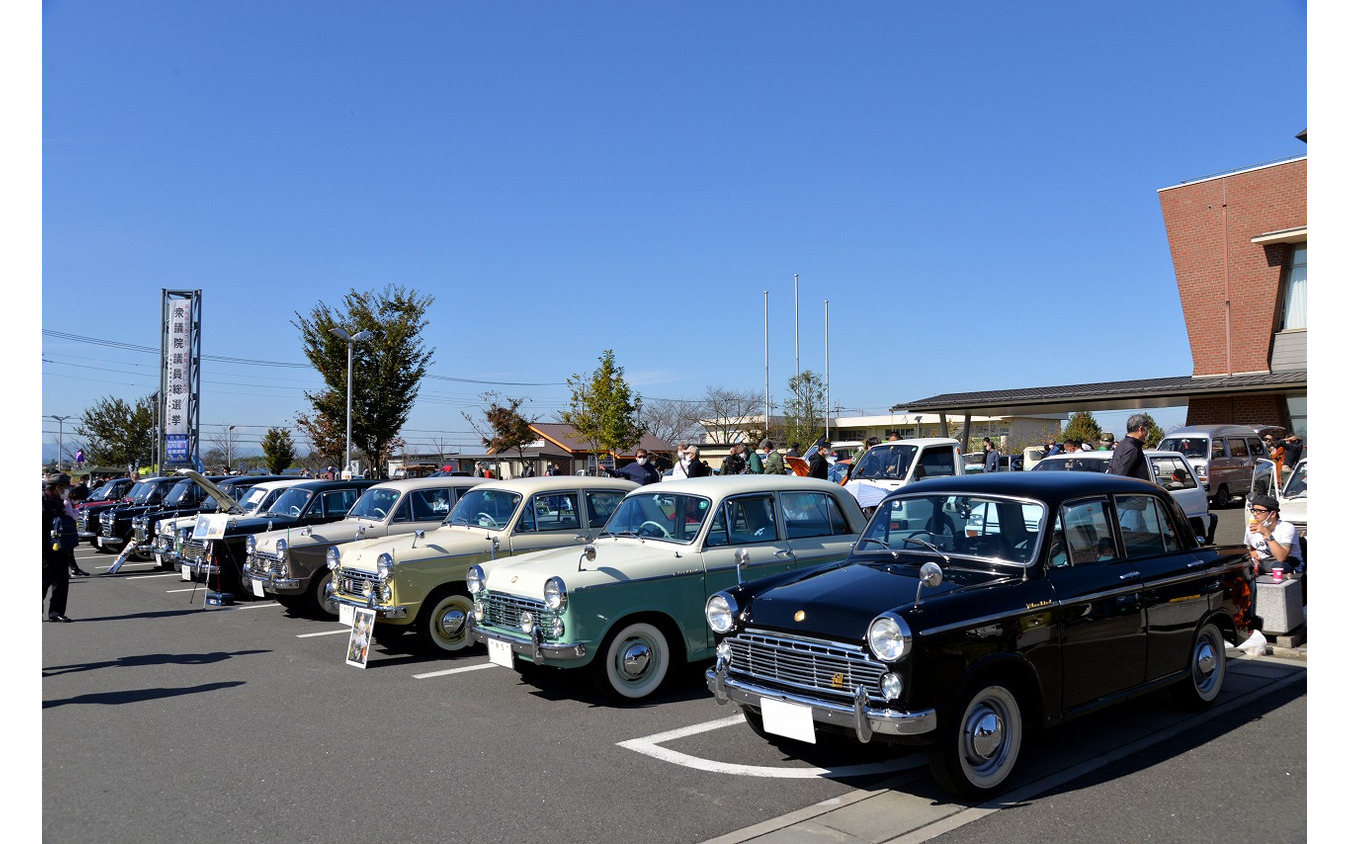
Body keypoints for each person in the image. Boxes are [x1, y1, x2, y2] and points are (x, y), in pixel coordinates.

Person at [1244, 494, 1304, 575]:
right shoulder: (1251, 528)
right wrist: (1255, 557)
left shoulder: (1287, 528)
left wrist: (1266, 533)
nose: (1255, 514)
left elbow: (1281, 558)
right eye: (1254, 510)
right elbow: (1252, 547)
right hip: (1263, 564)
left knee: (1278, 566)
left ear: (1272, 514)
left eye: (1259, 511)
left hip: (1287, 565)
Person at [43, 473, 74, 622]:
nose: (67, 491)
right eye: (65, 487)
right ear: (57, 487)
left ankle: (56, 613)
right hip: (45, 550)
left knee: (61, 582)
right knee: (43, 582)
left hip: (61, 548)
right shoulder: (43, 501)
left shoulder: (59, 502)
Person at [1107, 414, 1151, 480]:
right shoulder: (1132, 449)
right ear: (1141, 429)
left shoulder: (1121, 444)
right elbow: (1121, 476)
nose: (1147, 433)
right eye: (1147, 429)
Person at [66, 484, 91, 576]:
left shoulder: (68, 502)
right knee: (67, 552)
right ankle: (72, 570)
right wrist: (77, 511)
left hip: (69, 529)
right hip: (66, 530)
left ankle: (75, 569)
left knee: (69, 552)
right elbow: (72, 516)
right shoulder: (67, 503)